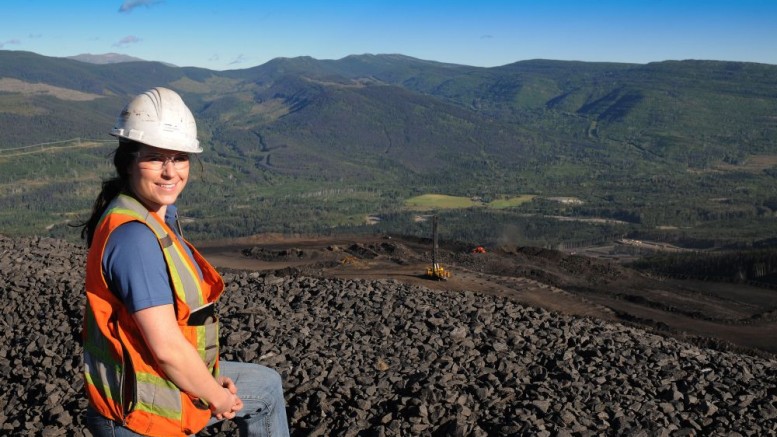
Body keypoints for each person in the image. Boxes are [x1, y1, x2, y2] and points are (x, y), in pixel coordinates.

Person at [80, 87, 290, 437]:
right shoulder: (135, 239)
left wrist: (207, 375)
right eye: (155, 158)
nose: (169, 171)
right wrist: (215, 396)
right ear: (128, 162)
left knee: (265, 385)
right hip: (141, 416)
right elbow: (166, 350)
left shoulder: (152, 217)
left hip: (147, 389)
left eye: (179, 158)